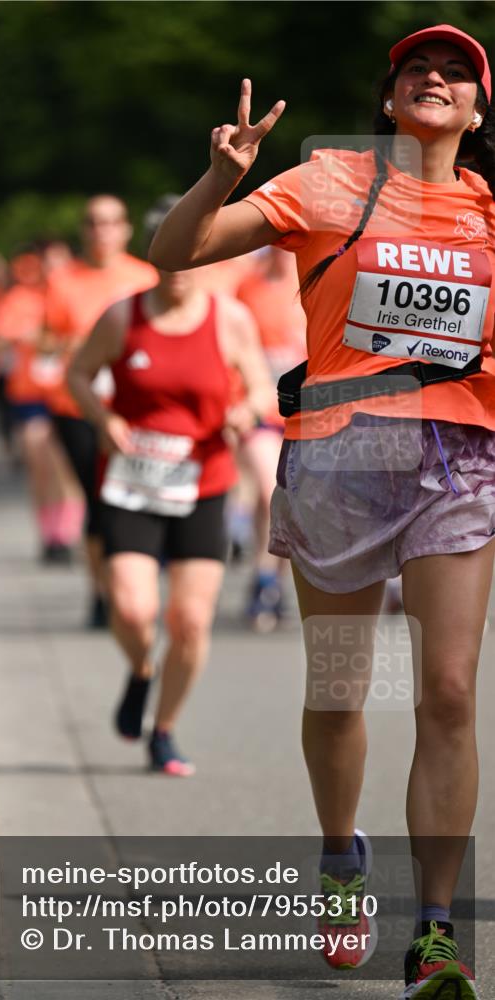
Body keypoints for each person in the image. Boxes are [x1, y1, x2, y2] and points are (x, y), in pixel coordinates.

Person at [149, 23, 494, 999]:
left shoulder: (489, 212)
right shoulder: (331, 183)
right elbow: (173, 251)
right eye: (417, 69)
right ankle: (341, 856)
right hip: (339, 462)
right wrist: (222, 177)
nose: (435, 79)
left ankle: (434, 934)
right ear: (388, 100)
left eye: (457, 73)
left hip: (457, 461)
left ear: (477, 111)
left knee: (449, 691)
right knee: (340, 691)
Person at [68, 198, 274, 775]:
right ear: (154, 256)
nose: (180, 268)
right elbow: (77, 374)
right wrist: (104, 418)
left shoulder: (230, 319)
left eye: (192, 256)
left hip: (203, 485)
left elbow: (261, 386)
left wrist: (246, 412)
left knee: (189, 621)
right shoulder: (122, 317)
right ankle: (141, 669)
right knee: (133, 609)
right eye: (169, 256)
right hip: (132, 483)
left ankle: (163, 729)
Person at [44, 196, 158, 625]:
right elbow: (45, 340)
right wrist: (79, 346)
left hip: (133, 407)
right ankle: (101, 593)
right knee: (98, 501)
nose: (102, 231)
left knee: (130, 502)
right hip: (78, 407)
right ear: (83, 230)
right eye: (93, 223)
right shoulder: (62, 280)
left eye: (111, 222)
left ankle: (132, 587)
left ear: (126, 229)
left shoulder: (144, 277)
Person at [0, 247, 83, 562]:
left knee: (67, 466)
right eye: (48, 265)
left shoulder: (77, 294)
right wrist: (23, 337)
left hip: (68, 394)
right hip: (31, 394)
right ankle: (48, 534)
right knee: (39, 461)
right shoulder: (22, 299)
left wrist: (56, 343)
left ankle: (66, 534)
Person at [235, 246, 307, 629]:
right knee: (269, 491)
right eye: (278, 245)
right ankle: (265, 581)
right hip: (262, 409)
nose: (284, 253)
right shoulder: (248, 288)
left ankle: (271, 581)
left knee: (290, 501)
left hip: (307, 412)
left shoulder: (318, 283)